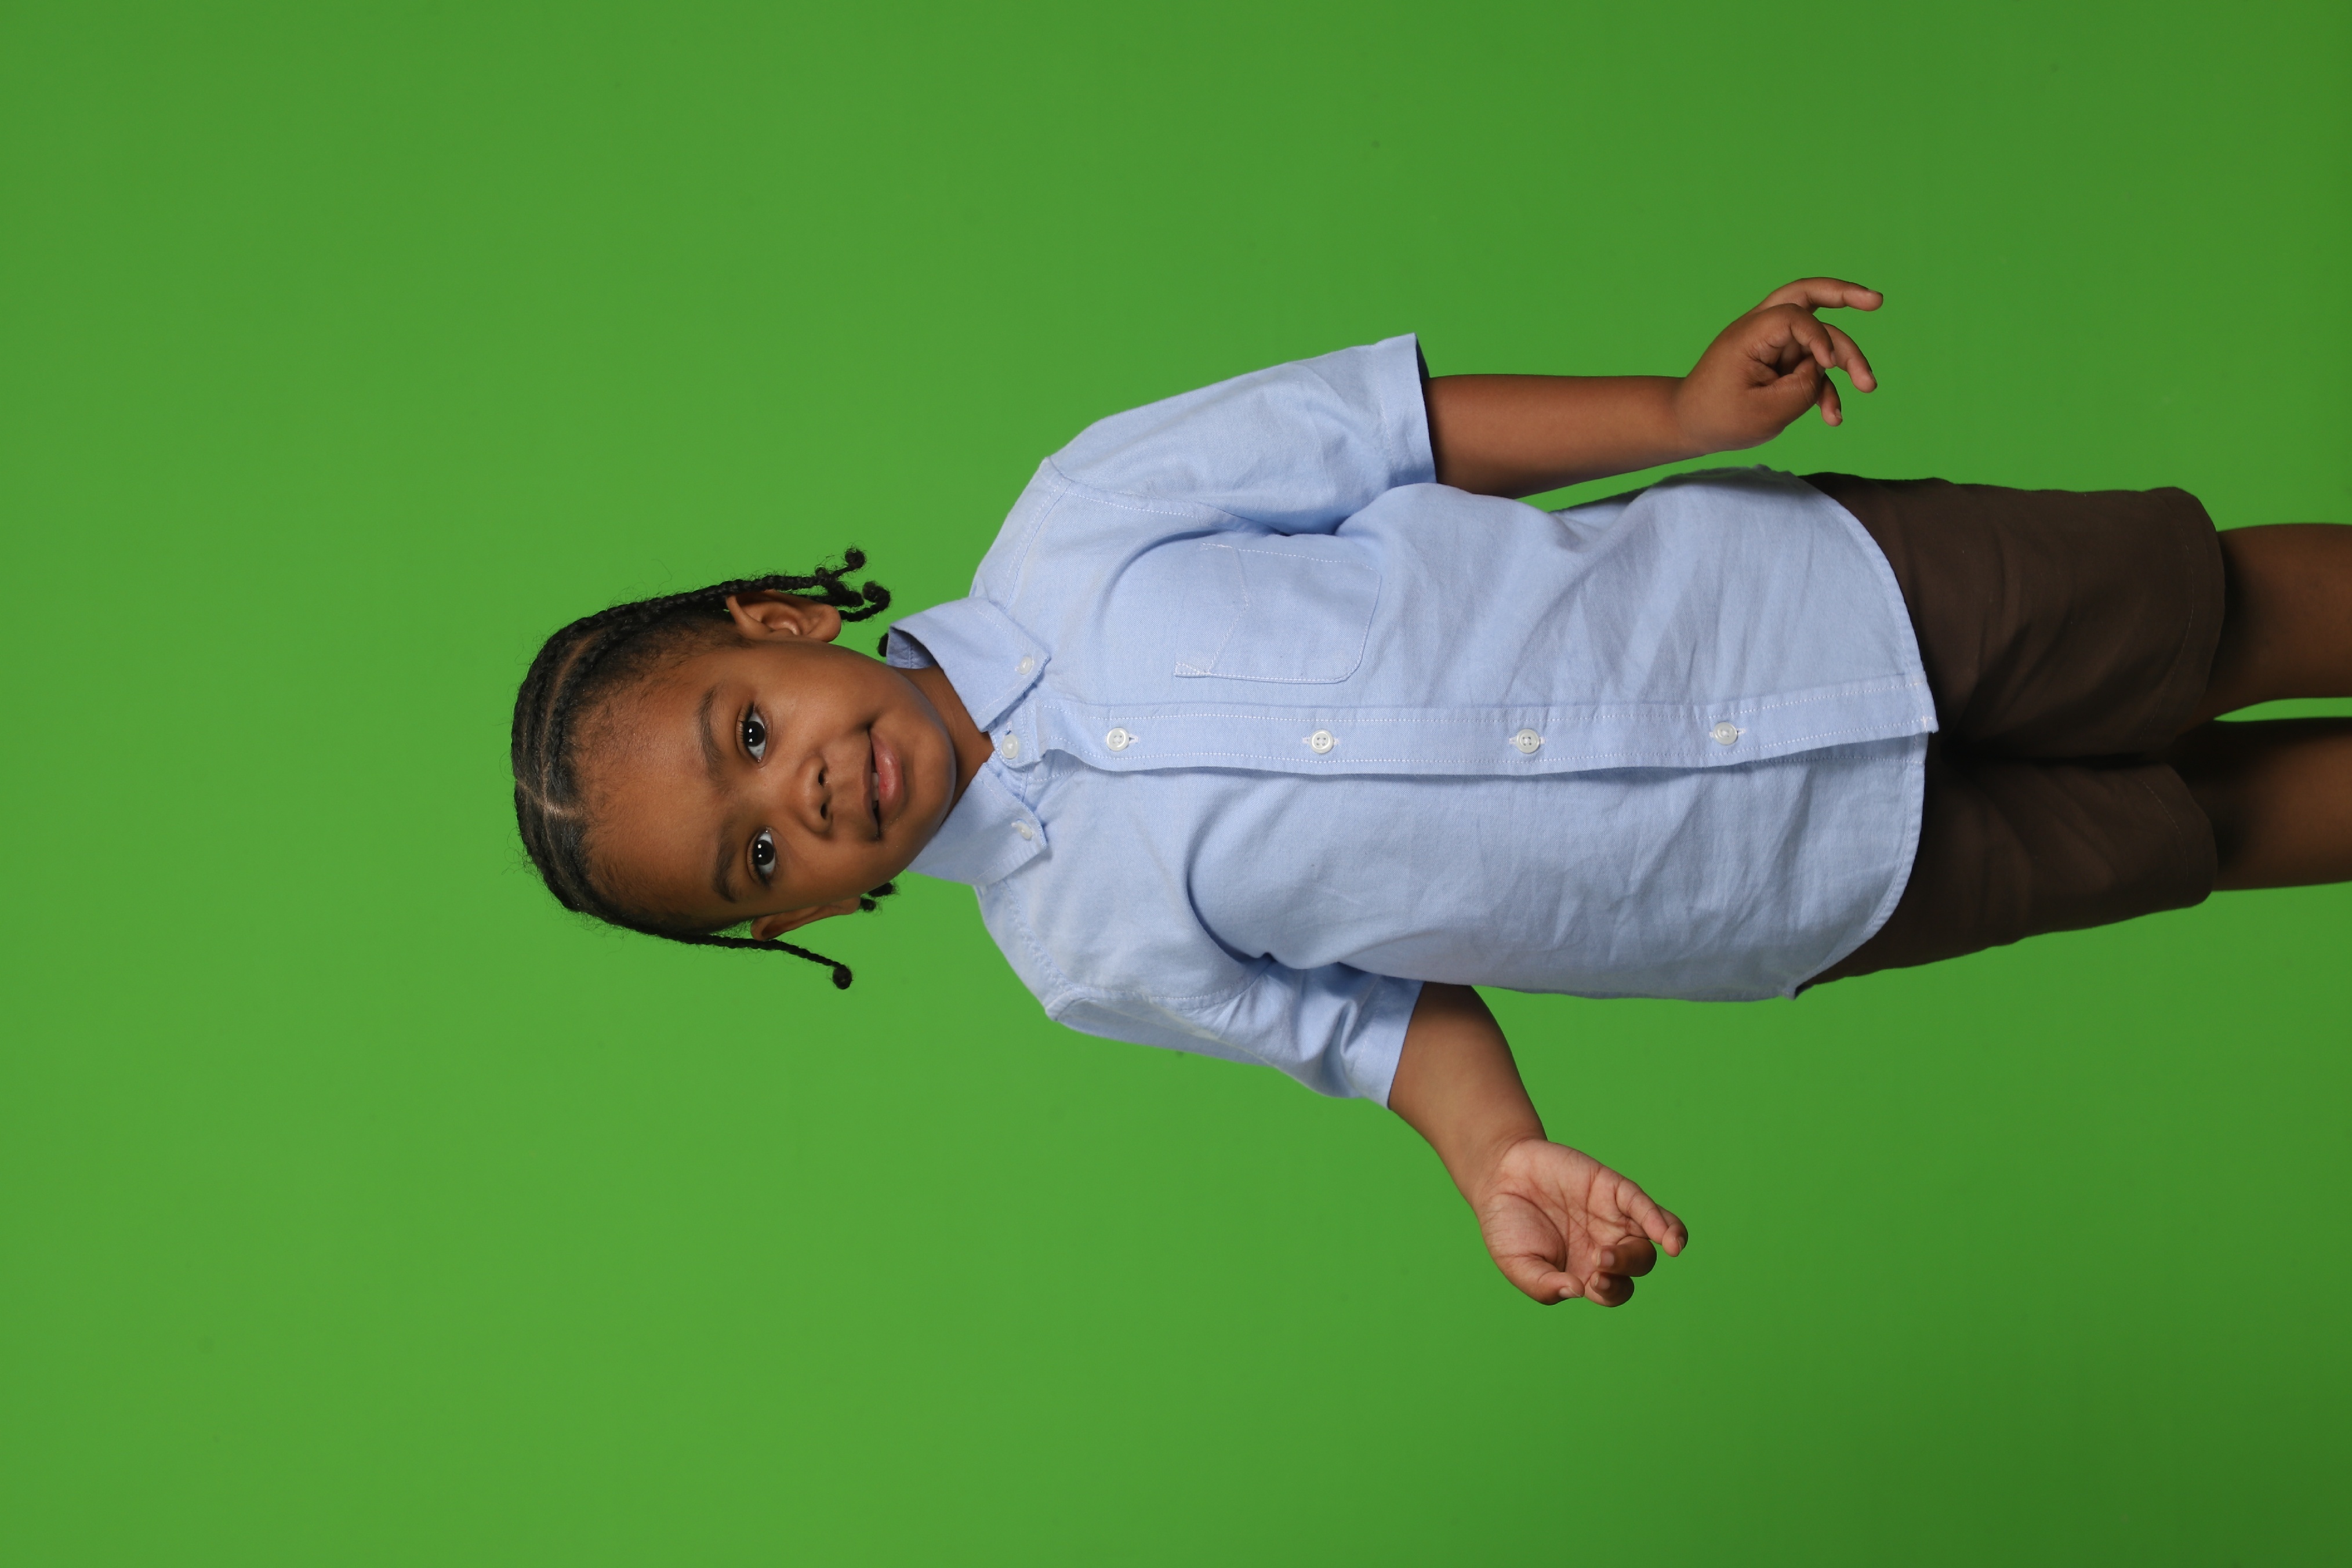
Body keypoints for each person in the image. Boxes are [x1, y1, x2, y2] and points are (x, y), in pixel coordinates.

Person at [511, 280, 2352, 1308]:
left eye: (747, 732)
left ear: (778, 625)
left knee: (2213, 613)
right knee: (2196, 831)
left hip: (1798, 597)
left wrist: (1681, 414)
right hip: (1796, 884)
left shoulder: (1082, 517)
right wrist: (1494, 1156)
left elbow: (1399, 432)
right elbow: (1373, 1024)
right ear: (801, 914)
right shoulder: (1083, 954)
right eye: (759, 853)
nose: (806, 793)